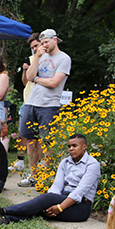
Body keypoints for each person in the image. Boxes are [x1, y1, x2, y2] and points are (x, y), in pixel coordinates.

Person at [0, 134, 100, 224]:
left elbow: (80, 192)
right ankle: (5, 220)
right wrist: (52, 205)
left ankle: (1, 210)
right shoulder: (65, 162)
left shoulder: (92, 165)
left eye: (74, 146)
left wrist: (59, 207)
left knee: (45, 200)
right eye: (69, 146)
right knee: (38, 207)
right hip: (62, 199)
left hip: (80, 208)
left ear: (84, 147)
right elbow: (57, 186)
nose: (71, 149)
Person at [20, 29, 71, 186]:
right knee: (30, 140)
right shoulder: (40, 57)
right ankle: (34, 175)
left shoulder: (64, 58)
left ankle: (45, 176)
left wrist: (37, 78)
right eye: (41, 43)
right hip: (31, 103)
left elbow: (54, 83)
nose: (43, 46)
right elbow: (29, 77)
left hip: (49, 105)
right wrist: (36, 57)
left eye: (46, 42)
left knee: (47, 141)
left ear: (55, 40)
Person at [16, 33, 41, 170]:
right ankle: (26, 164)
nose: (35, 49)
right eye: (33, 47)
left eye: (36, 45)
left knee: (41, 139)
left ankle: (41, 168)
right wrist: (25, 70)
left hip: (41, 102)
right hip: (28, 100)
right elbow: (25, 82)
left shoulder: (46, 60)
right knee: (26, 135)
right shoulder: (30, 59)